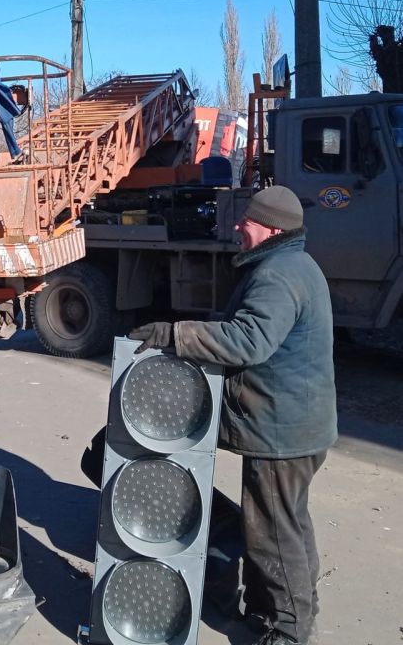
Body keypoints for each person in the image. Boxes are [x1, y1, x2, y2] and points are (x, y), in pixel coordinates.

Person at [129, 185, 337, 645]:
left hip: (280, 431)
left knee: (272, 535)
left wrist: (175, 334)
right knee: (292, 523)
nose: (239, 225)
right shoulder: (296, 265)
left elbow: (248, 341)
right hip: (299, 425)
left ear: (271, 228)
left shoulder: (278, 275)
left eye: (248, 219)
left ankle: (288, 632)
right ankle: (286, 608)